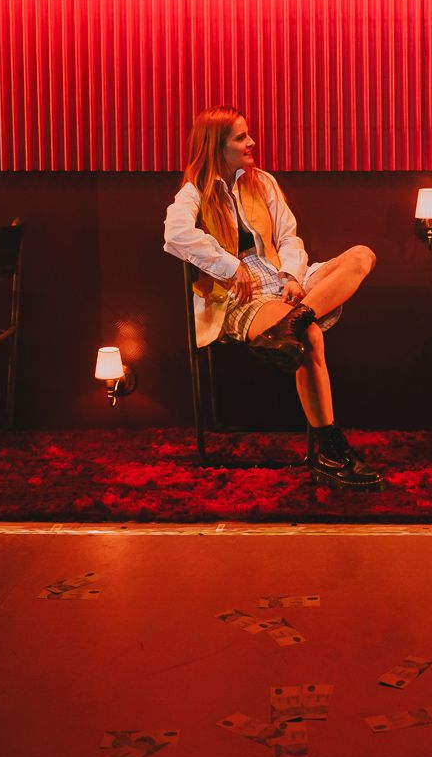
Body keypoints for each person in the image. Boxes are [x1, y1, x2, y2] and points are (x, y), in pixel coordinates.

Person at [163, 106, 384, 490]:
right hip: (237, 299)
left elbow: (288, 238)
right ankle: (331, 450)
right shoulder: (194, 191)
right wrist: (230, 267)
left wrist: (293, 276)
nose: (251, 143)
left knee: (362, 255)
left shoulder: (262, 182)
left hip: (283, 285)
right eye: (240, 138)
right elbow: (175, 236)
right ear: (217, 146)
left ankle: (294, 320)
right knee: (311, 336)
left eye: (248, 135)